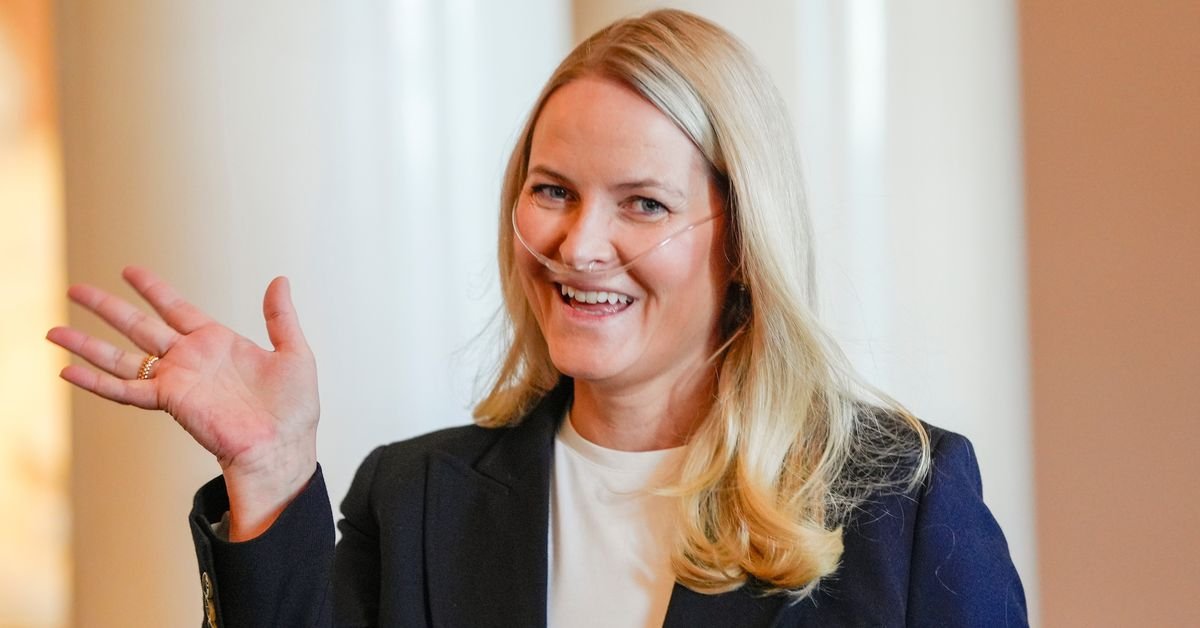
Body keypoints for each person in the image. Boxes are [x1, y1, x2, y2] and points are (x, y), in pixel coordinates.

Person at [47, 9, 1027, 627]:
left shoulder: (903, 503)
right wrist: (269, 475)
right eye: (553, 190)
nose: (579, 243)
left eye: (643, 203)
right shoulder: (413, 498)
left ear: (742, 240)